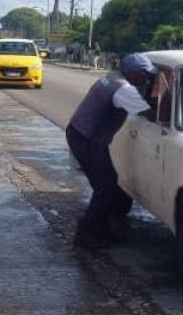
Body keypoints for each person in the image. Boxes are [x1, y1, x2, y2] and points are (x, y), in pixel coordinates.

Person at [65, 53, 157, 249]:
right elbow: (149, 113)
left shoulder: (112, 78)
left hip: (82, 133)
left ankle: (102, 226)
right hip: (87, 138)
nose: (146, 79)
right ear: (134, 73)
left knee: (109, 181)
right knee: (105, 186)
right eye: (145, 74)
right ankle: (86, 233)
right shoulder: (124, 89)